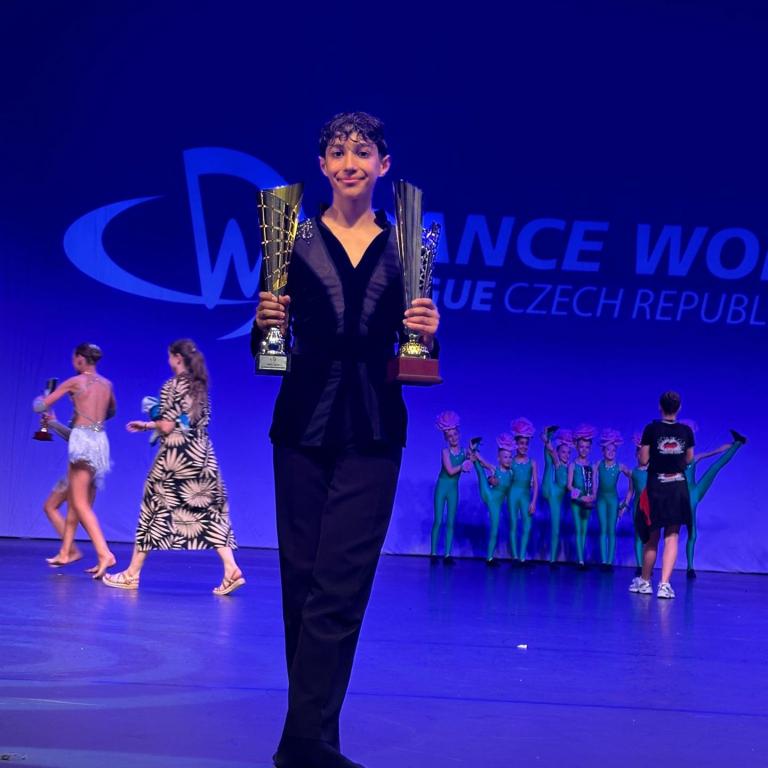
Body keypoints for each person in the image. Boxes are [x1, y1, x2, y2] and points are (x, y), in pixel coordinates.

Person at [253, 112, 440, 768]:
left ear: (383, 165)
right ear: (323, 166)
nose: (350, 162)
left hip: (374, 432)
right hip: (300, 429)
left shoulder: (406, 245)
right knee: (302, 586)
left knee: (340, 587)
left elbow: (415, 350)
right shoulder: (291, 239)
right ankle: (313, 741)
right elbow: (269, 348)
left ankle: (302, 744)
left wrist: (428, 332)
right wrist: (263, 322)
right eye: (338, 152)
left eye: (363, 152)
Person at [103, 340, 243, 595]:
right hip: (202, 454)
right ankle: (231, 568)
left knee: (153, 509)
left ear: (177, 357)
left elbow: (168, 426)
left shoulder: (173, 385)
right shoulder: (200, 386)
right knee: (209, 511)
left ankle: (131, 574)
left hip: (176, 457)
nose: (168, 361)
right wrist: (152, 424)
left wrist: (149, 421)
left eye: (170, 356)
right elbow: (189, 421)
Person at [33, 343, 116, 578]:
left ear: (80, 359)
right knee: (76, 501)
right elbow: (111, 412)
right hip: (100, 441)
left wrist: (42, 398)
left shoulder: (75, 382)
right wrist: (90, 416)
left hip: (82, 441)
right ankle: (66, 551)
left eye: (74, 359)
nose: (73, 362)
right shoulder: (107, 385)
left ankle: (105, 553)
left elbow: (40, 406)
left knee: (79, 504)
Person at [630, 391, 694, 599]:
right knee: (672, 536)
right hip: (677, 486)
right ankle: (664, 585)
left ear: (660, 407)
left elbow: (643, 460)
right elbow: (689, 459)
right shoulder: (686, 431)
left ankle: (645, 581)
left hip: (657, 487)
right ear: (679, 408)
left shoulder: (651, 429)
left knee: (652, 537)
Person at [430, 410, 472, 564]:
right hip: (442, 487)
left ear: (459, 434)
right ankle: (433, 553)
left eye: (455, 434)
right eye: (450, 436)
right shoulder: (445, 452)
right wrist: (463, 466)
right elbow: (450, 470)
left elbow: (474, 459)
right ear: (446, 438)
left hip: (453, 489)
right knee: (438, 520)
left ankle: (447, 554)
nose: (453, 438)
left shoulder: (464, 452)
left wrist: (489, 467)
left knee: (450, 521)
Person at [473, 434, 515, 565]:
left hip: (497, 504)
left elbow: (513, 489)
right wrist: (490, 479)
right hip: (489, 496)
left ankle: (489, 557)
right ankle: (473, 450)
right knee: (480, 472)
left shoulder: (511, 473)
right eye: (505, 457)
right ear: (499, 458)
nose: (508, 460)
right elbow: (483, 462)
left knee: (494, 530)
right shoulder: (495, 469)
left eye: (510, 457)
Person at [593, 428, 632, 569]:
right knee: (603, 529)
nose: (611, 452)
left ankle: (610, 562)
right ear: (603, 451)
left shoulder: (620, 466)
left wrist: (626, 501)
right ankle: (604, 561)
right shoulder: (598, 464)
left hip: (613, 501)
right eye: (608, 450)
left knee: (611, 530)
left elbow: (632, 477)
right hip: (601, 500)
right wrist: (593, 493)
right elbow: (592, 478)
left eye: (613, 450)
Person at [507, 417, 538, 564]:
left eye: (526, 443)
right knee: (513, 524)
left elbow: (536, 484)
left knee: (527, 525)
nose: (523, 446)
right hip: (513, 495)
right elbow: (505, 478)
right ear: (516, 444)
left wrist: (533, 502)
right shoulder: (511, 462)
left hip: (525, 495)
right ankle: (514, 557)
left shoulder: (532, 463)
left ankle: (522, 557)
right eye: (521, 443)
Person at [541, 427, 573, 565]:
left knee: (556, 529)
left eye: (568, 452)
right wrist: (547, 441)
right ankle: (548, 435)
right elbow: (552, 452)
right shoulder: (558, 463)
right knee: (549, 465)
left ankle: (553, 559)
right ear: (559, 452)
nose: (566, 455)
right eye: (563, 452)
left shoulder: (570, 467)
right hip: (551, 491)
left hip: (558, 497)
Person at [567, 424, 597, 568]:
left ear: (590, 448)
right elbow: (569, 485)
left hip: (588, 500)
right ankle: (580, 560)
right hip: (577, 501)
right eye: (581, 447)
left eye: (587, 447)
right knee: (578, 529)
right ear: (577, 447)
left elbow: (594, 484)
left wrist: (593, 496)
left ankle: (582, 558)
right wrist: (579, 496)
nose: (584, 450)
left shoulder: (592, 466)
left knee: (584, 530)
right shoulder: (573, 465)